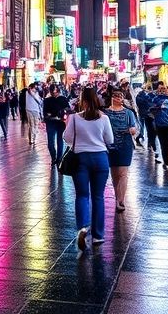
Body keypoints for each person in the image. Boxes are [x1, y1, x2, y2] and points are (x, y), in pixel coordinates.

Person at [65, 88, 114, 250]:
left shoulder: (74, 118)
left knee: (82, 195)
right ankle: (98, 235)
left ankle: (83, 228)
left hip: (80, 159)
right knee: (98, 196)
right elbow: (110, 139)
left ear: (82, 100)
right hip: (100, 158)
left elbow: (67, 137)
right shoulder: (104, 118)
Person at [105, 89, 137, 212]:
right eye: (115, 96)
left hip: (125, 144)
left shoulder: (129, 113)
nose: (117, 98)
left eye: (120, 96)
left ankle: (120, 200)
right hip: (111, 145)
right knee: (114, 175)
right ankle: (117, 197)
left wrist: (132, 130)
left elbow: (133, 127)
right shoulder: (105, 113)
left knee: (123, 173)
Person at [151, 83, 168, 169]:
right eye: (161, 90)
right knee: (163, 143)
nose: (162, 91)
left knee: (167, 143)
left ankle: (167, 160)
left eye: (164, 89)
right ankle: (165, 160)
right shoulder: (155, 99)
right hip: (159, 124)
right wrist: (156, 109)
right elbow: (151, 110)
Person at [43, 85, 70, 164]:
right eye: (52, 92)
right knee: (50, 142)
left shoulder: (63, 99)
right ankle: (54, 157)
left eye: (55, 92)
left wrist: (63, 112)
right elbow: (45, 112)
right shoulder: (47, 100)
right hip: (50, 122)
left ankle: (59, 159)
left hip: (60, 122)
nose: (54, 93)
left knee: (60, 140)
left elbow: (68, 109)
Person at [136, 83, 155, 153]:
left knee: (150, 130)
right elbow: (138, 102)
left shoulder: (153, 95)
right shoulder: (140, 94)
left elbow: (153, 104)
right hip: (143, 113)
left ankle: (149, 143)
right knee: (142, 128)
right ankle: (140, 137)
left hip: (149, 115)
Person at [24, 82, 44, 147]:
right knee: (31, 125)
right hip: (29, 110)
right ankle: (31, 140)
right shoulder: (28, 93)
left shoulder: (36, 94)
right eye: (34, 88)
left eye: (36, 88)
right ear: (31, 88)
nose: (35, 89)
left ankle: (34, 139)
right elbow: (29, 91)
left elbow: (40, 102)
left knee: (35, 125)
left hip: (36, 111)